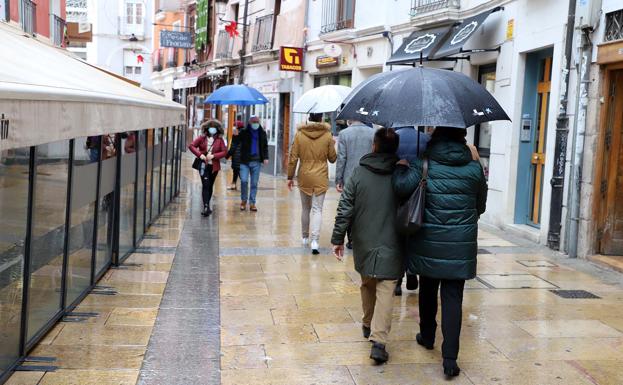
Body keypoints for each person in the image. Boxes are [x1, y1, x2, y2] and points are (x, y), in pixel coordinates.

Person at [392, 126, 487, 377]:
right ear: (461, 137)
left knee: (428, 289)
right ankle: (450, 359)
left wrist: (402, 166)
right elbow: (481, 206)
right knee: (453, 298)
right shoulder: (475, 167)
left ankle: (427, 335)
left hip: (428, 241)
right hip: (460, 243)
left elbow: (400, 188)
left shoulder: (423, 163)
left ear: (435, 137)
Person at [331, 128, 403, 364]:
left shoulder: (358, 173)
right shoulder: (402, 173)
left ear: (374, 146)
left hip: (363, 238)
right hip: (393, 239)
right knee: (386, 286)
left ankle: (368, 324)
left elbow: (345, 207)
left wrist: (337, 238)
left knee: (368, 281)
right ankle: (379, 341)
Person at [287, 113, 337, 254]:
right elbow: (332, 159)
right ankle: (315, 241)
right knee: (317, 209)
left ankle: (304, 238)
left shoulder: (299, 134)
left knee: (305, 208)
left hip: (304, 175)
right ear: (321, 119)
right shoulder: (327, 135)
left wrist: (289, 176)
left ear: (309, 118)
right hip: (320, 175)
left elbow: (293, 157)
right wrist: (332, 144)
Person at [393, 126, 430, 296]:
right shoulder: (424, 138)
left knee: (399, 235)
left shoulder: (394, 137)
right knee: (414, 231)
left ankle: (398, 280)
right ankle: (412, 272)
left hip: (398, 188)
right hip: (418, 190)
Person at [335, 120, 374, 250]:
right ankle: (363, 237)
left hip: (349, 177)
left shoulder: (344, 133)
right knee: (365, 208)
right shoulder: (373, 133)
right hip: (368, 176)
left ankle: (351, 239)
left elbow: (341, 158)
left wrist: (338, 179)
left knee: (349, 208)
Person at [188, 120, 228, 216]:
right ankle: (206, 206)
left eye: (214, 127)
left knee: (210, 185)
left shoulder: (220, 140)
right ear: (207, 128)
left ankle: (207, 205)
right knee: (205, 184)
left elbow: (224, 152)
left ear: (217, 130)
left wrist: (214, 156)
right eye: (210, 127)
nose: (212, 129)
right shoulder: (202, 138)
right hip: (203, 165)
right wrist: (200, 155)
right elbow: (191, 146)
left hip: (214, 167)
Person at [238, 116, 269, 212]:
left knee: (254, 183)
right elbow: (237, 142)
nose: (256, 123)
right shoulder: (243, 132)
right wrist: (235, 135)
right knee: (244, 181)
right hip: (245, 162)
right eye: (254, 122)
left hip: (256, 161)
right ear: (249, 122)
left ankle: (252, 203)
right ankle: (243, 200)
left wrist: (266, 157)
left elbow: (265, 146)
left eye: (257, 122)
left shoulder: (262, 133)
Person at [227, 120, 244, 191]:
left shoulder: (236, 135)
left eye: (234, 126)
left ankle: (244, 187)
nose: (233, 127)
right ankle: (233, 185)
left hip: (237, 157)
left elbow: (233, 148)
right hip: (243, 157)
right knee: (236, 171)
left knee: (239, 172)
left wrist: (227, 155)